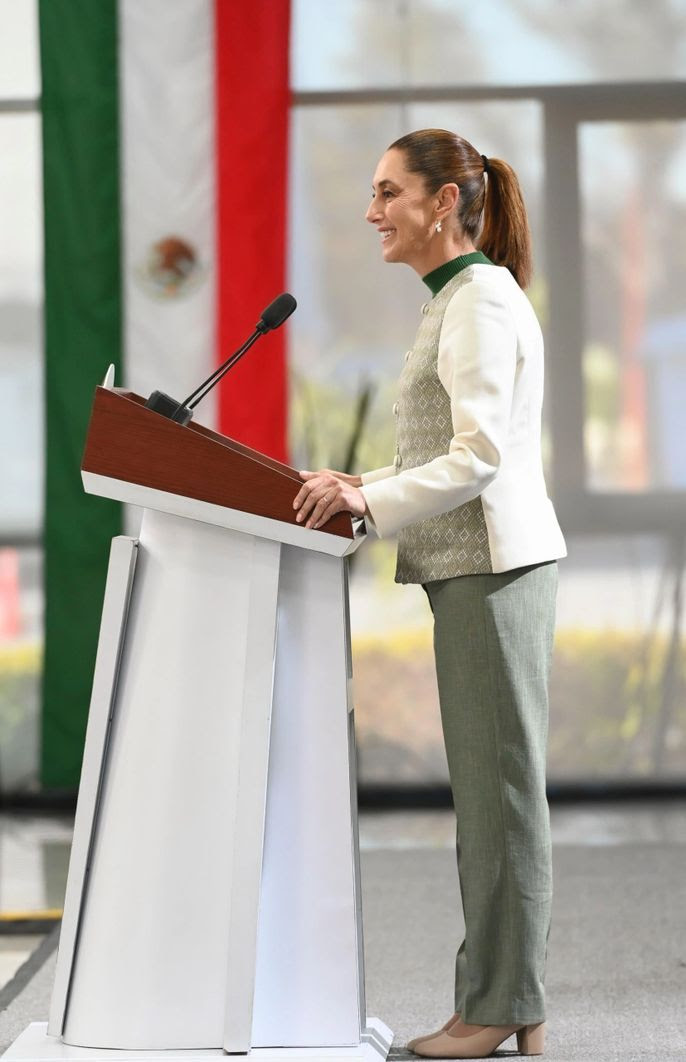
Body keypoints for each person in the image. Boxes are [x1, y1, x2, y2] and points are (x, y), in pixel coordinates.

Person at [292, 128, 567, 1059]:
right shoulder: (458, 297)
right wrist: (361, 482)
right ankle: (502, 999)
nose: (372, 211)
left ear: (443, 201)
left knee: (500, 801)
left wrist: (367, 501)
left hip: (493, 570)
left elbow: (479, 457)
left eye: (388, 192)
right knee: (493, 798)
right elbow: (450, 452)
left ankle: (499, 1005)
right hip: (476, 570)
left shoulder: (478, 299)